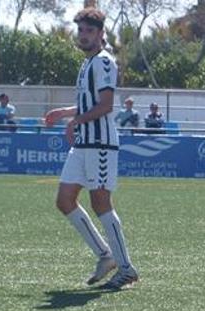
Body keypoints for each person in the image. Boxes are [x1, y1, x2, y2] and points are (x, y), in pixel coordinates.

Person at [44, 7, 138, 290]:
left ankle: (126, 268)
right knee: (65, 200)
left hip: (100, 144)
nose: (83, 36)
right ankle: (105, 256)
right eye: (81, 30)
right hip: (84, 143)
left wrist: (75, 121)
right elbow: (89, 104)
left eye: (89, 31)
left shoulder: (104, 62)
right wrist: (64, 112)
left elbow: (106, 106)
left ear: (100, 34)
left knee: (100, 203)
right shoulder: (88, 63)